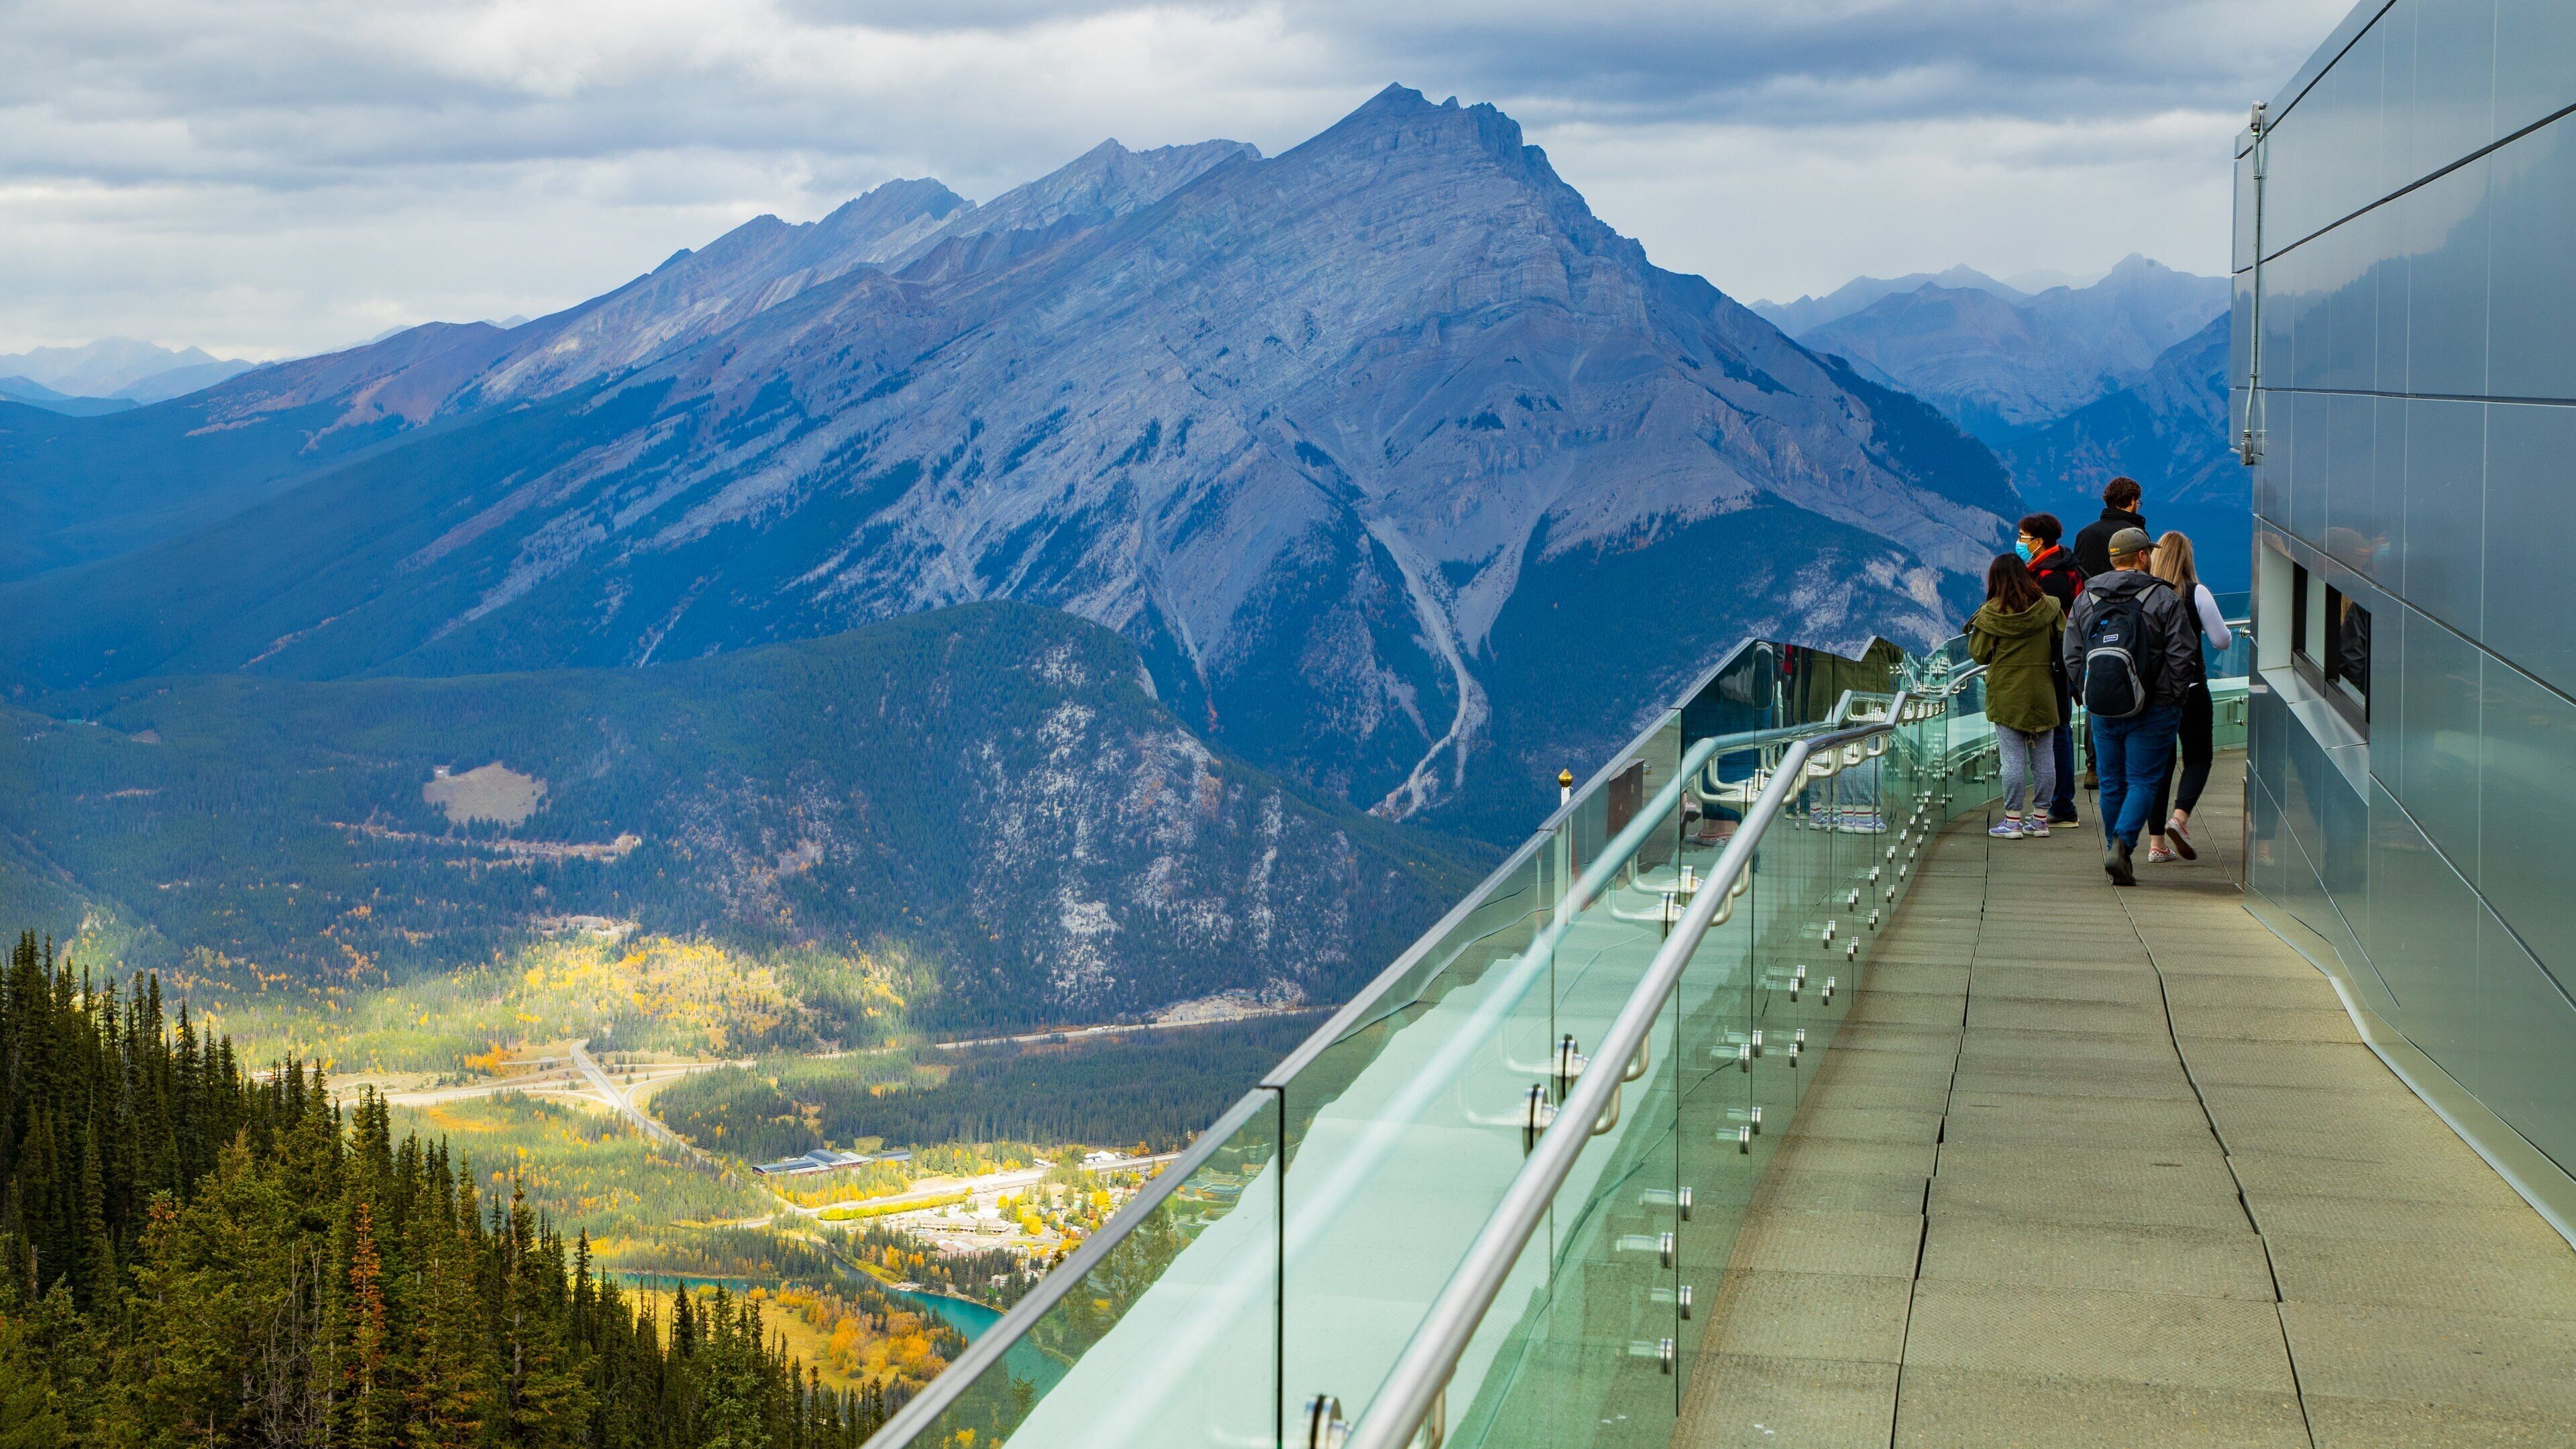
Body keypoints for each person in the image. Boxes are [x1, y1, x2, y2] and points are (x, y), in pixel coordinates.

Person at [2062, 527, 2197, 885]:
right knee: (2143, 780)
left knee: (2111, 783)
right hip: (2154, 709)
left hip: (2103, 707)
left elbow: (2072, 653)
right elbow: (2182, 653)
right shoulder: (2162, 598)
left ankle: (2114, 849)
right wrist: (2169, 697)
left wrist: (2088, 692)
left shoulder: (2085, 599)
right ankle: (2122, 845)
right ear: (2142, 556)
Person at [2145, 531, 2232, 863]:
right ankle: (2179, 819)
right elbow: (2222, 640)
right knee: (2197, 757)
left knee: (2159, 766)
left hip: (2154, 694)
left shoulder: (2145, 592)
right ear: (2187, 558)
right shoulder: (2196, 592)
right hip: (2192, 688)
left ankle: (2155, 846)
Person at [1968, 553, 2064, 840]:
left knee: (2012, 760)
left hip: (2007, 692)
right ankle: (2041, 820)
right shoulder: (2049, 607)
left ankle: (2012, 822)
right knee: (2045, 758)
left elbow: (1979, 653)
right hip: (2044, 690)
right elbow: (2064, 639)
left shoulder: (1991, 613)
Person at [2017, 513, 2084, 824]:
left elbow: (2050, 624)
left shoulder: (2051, 576)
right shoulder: (2060, 566)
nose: (2020, 542)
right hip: (2063, 661)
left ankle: (2062, 804)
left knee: (2057, 731)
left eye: (2023, 536)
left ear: (2039, 541)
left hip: (2055, 663)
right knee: (2059, 729)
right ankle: (2060, 803)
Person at [2073, 476, 2148, 579]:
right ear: (2132, 501)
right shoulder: (2135, 535)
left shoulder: (2083, 534)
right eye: (2137, 502)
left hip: (2089, 593)